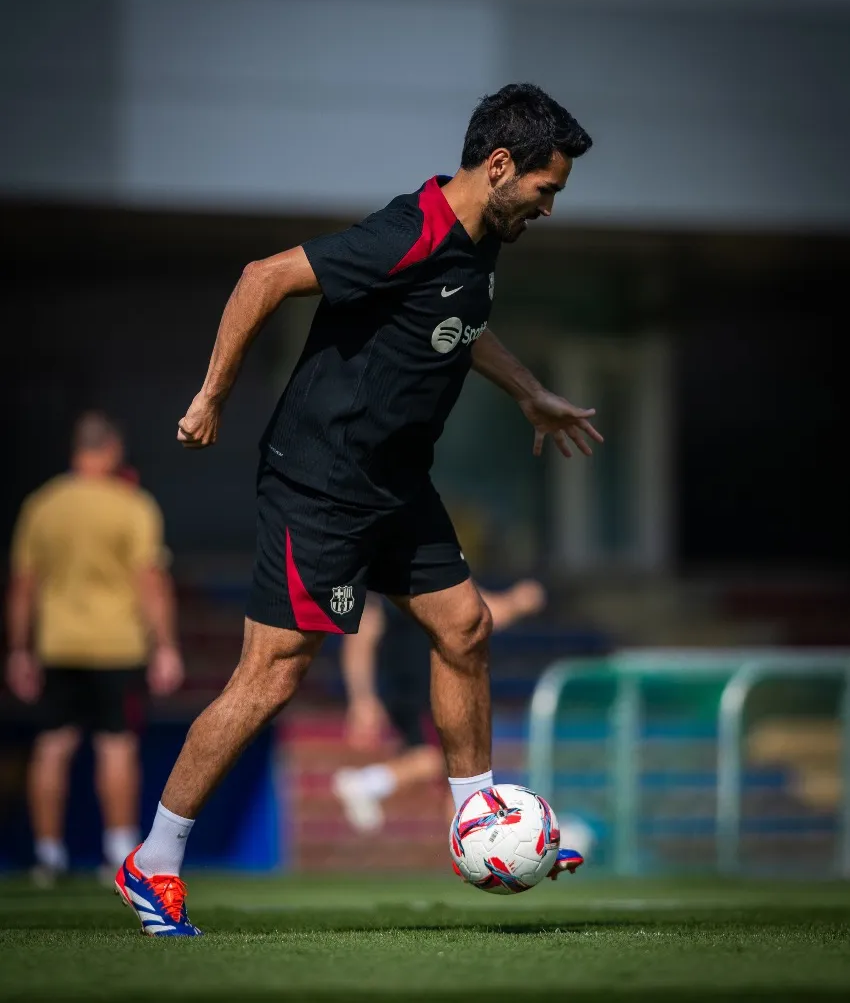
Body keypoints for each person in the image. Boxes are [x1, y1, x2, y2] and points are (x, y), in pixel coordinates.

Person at [117, 82, 601, 935]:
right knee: (273, 675)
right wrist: (213, 395)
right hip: (322, 482)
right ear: (499, 166)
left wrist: (531, 393)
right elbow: (262, 277)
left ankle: (478, 823)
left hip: (396, 482)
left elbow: (459, 320)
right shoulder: (407, 232)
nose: (549, 206)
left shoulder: (479, 240)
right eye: (545, 188)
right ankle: (152, 861)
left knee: (465, 628)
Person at [5, 412, 184, 885]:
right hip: (117, 647)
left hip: (57, 645)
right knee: (116, 747)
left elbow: (23, 584)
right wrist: (165, 645)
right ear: (111, 451)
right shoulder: (132, 506)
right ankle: (119, 854)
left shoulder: (41, 505)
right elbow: (150, 580)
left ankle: (47, 856)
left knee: (52, 746)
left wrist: (18, 650)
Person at [333, 580, 548, 831]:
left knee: (456, 780)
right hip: (423, 691)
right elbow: (361, 639)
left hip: (431, 689)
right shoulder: (388, 583)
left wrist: (515, 602)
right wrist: (362, 698)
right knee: (445, 763)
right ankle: (366, 783)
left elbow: (481, 610)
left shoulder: (437, 570)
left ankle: (477, 854)